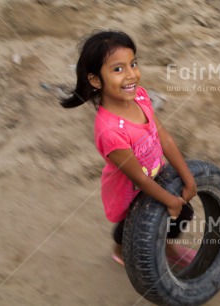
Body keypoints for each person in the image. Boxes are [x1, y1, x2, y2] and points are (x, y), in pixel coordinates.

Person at [60, 31, 197, 266]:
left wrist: (189, 179)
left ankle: (167, 246)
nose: (132, 74)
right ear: (95, 80)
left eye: (133, 64)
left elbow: (165, 140)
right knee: (130, 226)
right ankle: (120, 250)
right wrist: (170, 200)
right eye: (118, 69)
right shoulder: (110, 131)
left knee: (184, 213)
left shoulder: (141, 98)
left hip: (155, 174)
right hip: (129, 190)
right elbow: (140, 181)